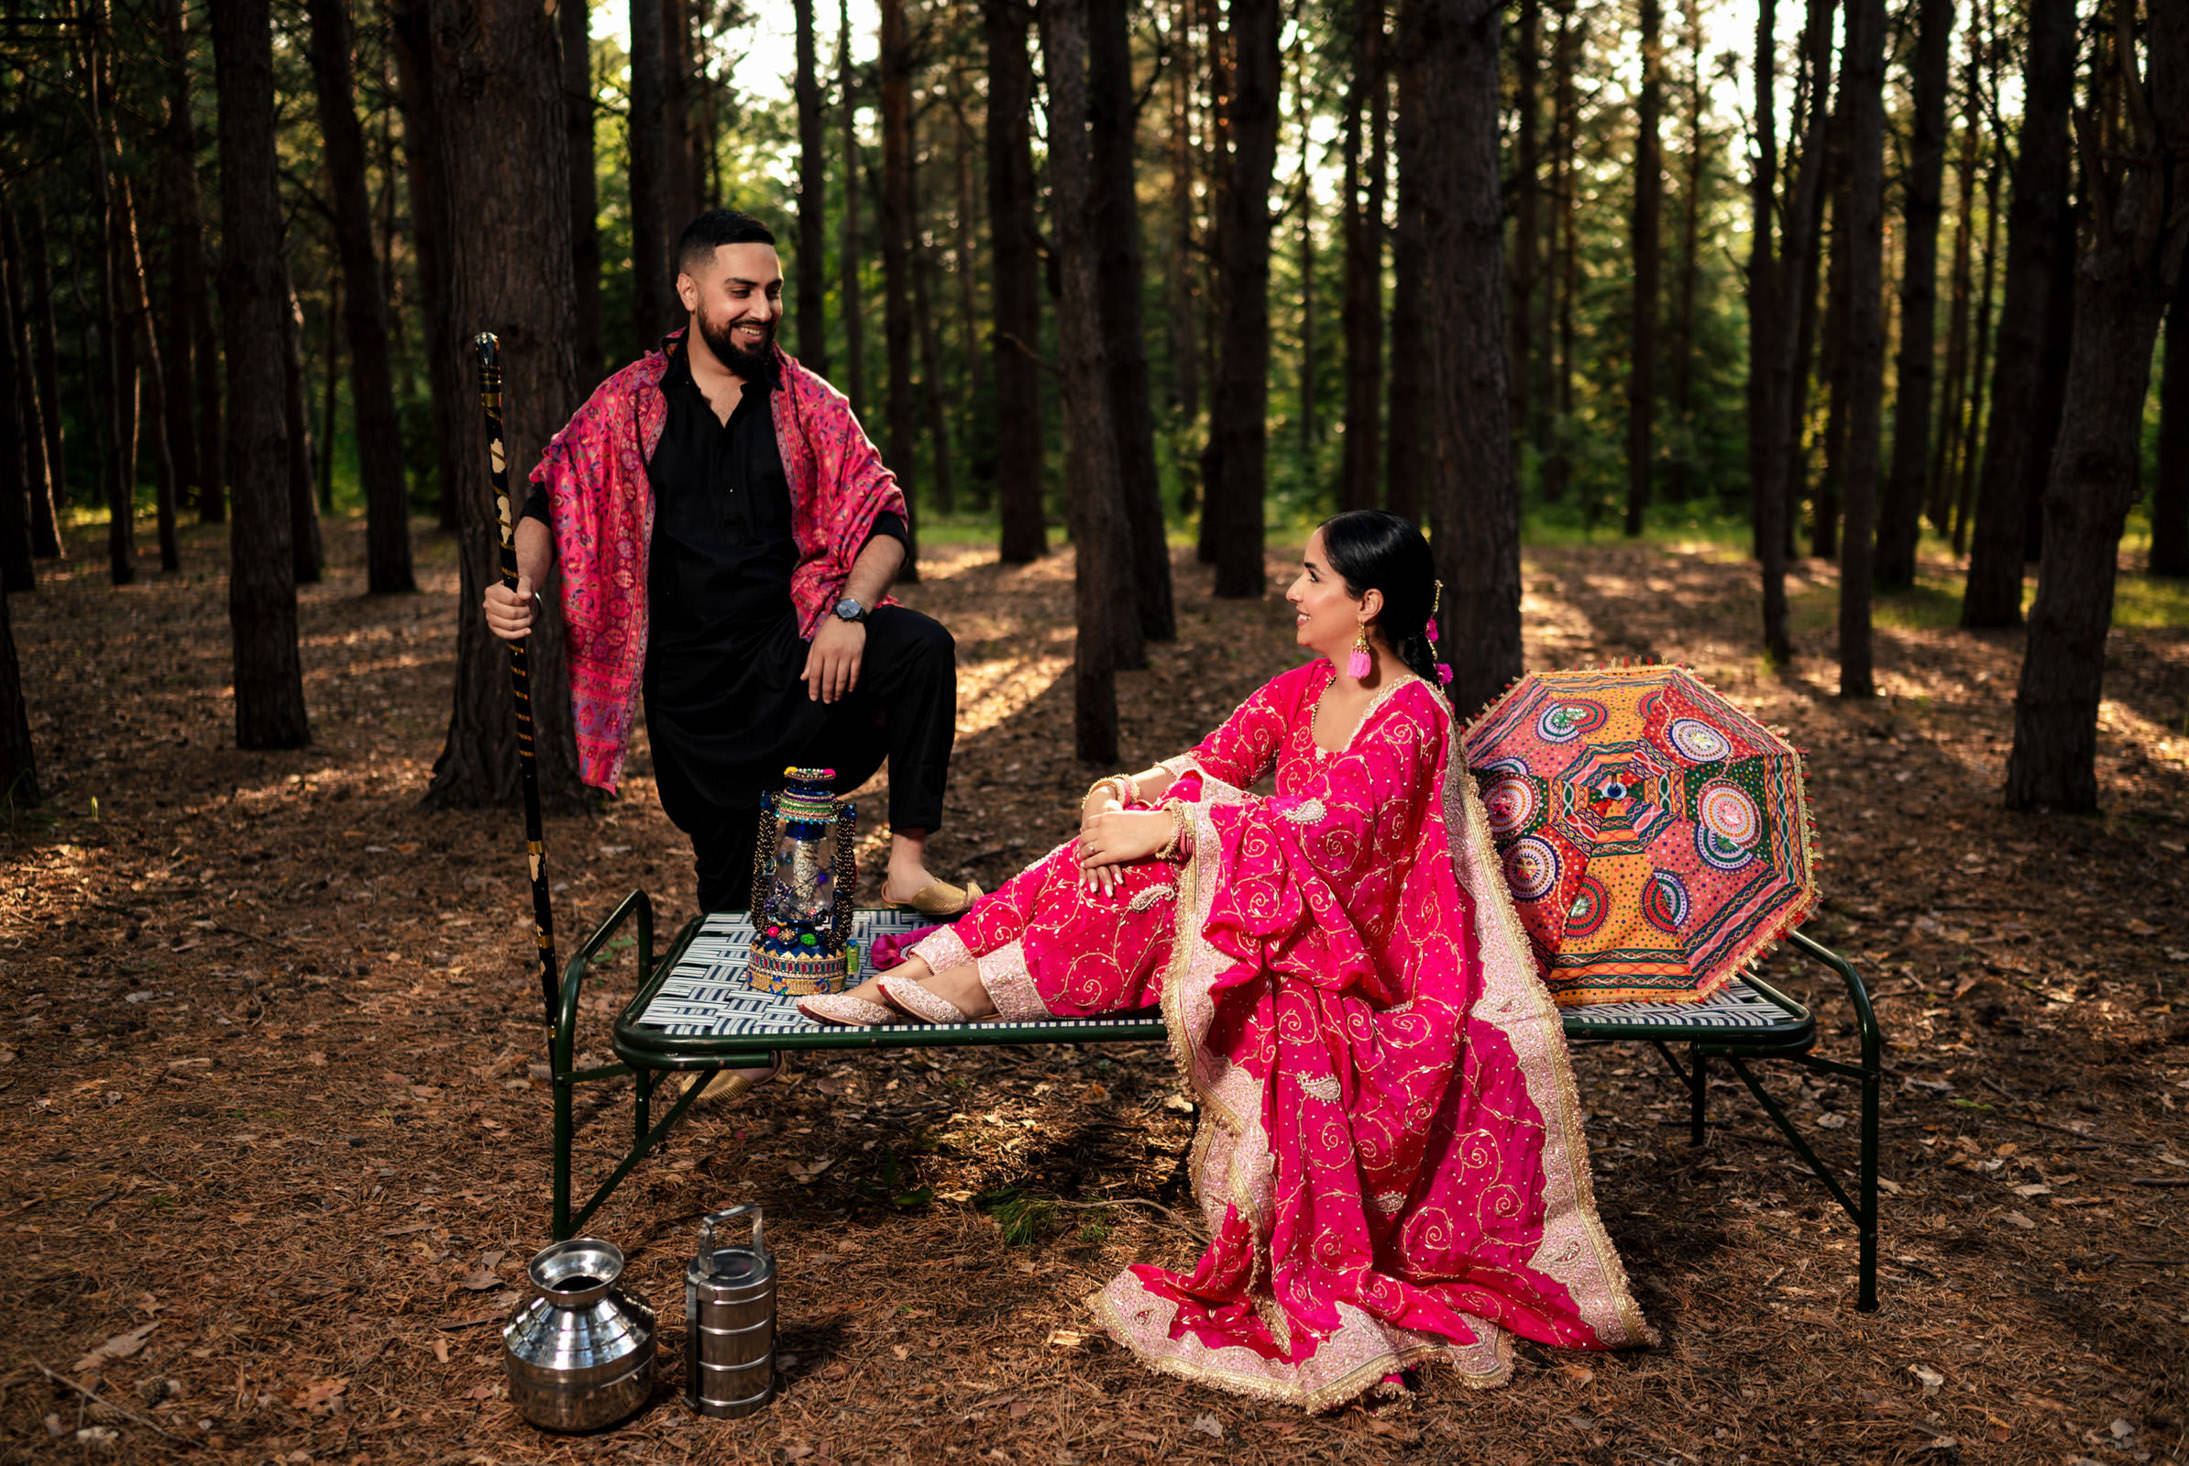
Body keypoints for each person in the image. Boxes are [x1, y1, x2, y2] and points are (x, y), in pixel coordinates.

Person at [801, 511, 1653, 1408]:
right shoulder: (1304, 688)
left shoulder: (1413, 717)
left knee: (1162, 888)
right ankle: (937, 973)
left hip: (1353, 964)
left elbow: (1337, 838)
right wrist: (1136, 793)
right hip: (1280, 918)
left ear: (1365, 604)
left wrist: (1174, 829)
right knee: (1111, 861)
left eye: (1310, 575)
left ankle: (949, 986)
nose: (1291, 589)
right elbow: (1214, 760)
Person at [484, 208, 977, 921]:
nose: (762, 310)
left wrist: (849, 612)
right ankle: (747, 1025)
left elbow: (886, 517)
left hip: (800, 667)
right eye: (741, 291)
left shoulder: (809, 402)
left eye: (772, 293)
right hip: (694, 703)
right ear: (690, 292)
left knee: (921, 648)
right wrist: (521, 586)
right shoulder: (628, 404)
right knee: (735, 916)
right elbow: (548, 498)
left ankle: (905, 865)